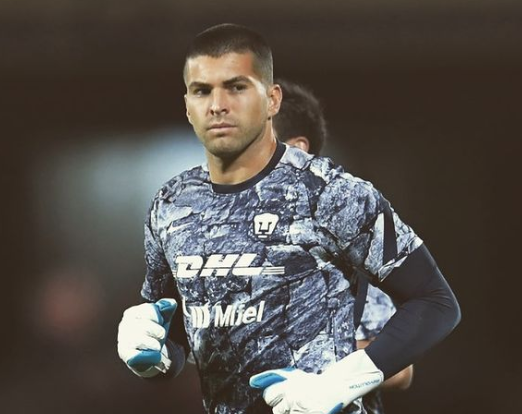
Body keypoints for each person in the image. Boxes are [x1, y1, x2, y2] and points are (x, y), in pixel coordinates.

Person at [117, 23, 460, 414]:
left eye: (236, 87)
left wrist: (336, 385)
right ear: (187, 105)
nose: (217, 105)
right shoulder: (171, 204)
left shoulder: (329, 192)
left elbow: (435, 301)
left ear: (272, 100)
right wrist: (154, 357)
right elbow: (179, 337)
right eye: (202, 90)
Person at [273, 78, 413, 414]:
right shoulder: (221, 242)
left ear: (297, 149)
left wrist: (313, 370)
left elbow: (402, 369)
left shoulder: (341, 239)